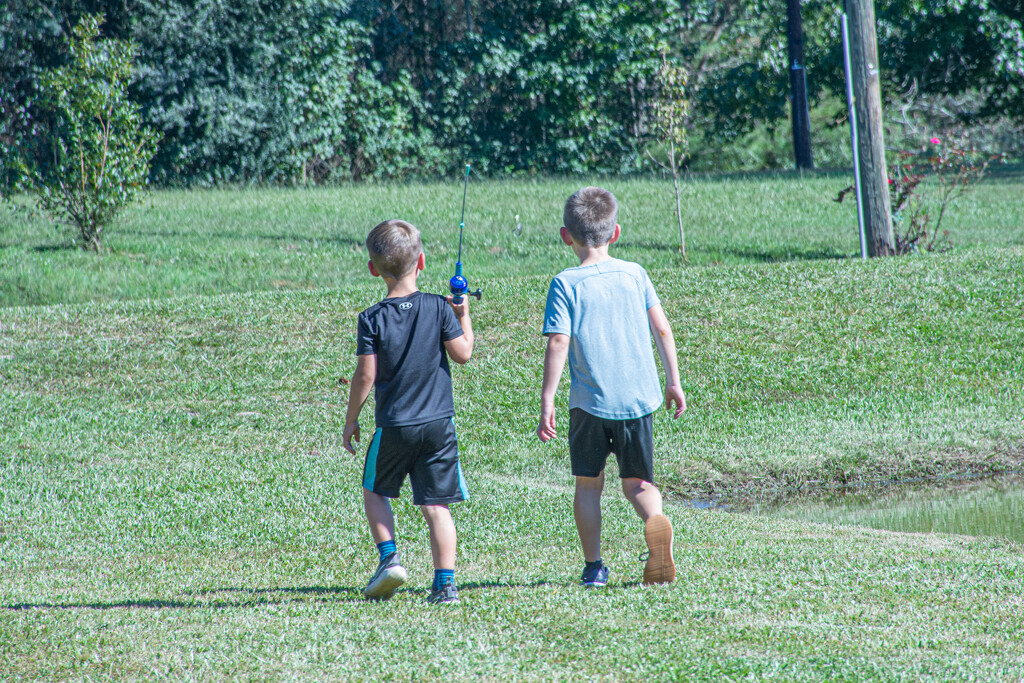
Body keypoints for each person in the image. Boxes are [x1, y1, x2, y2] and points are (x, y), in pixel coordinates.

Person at [536, 186, 686, 588]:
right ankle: (655, 519)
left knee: (589, 484)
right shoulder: (635, 273)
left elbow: (558, 342)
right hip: (638, 399)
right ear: (615, 232)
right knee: (638, 483)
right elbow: (662, 328)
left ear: (566, 236)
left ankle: (594, 567)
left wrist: (548, 400)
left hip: (589, 402)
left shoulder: (565, 283)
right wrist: (673, 381)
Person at [343, 219, 474, 605]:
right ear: (422, 261)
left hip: (395, 424)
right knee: (436, 504)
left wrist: (352, 419)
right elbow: (464, 353)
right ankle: (445, 584)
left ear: (373, 268)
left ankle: (389, 560)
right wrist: (462, 312)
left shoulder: (371, 318)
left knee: (374, 489)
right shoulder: (438, 306)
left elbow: (366, 374)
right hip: (438, 424)